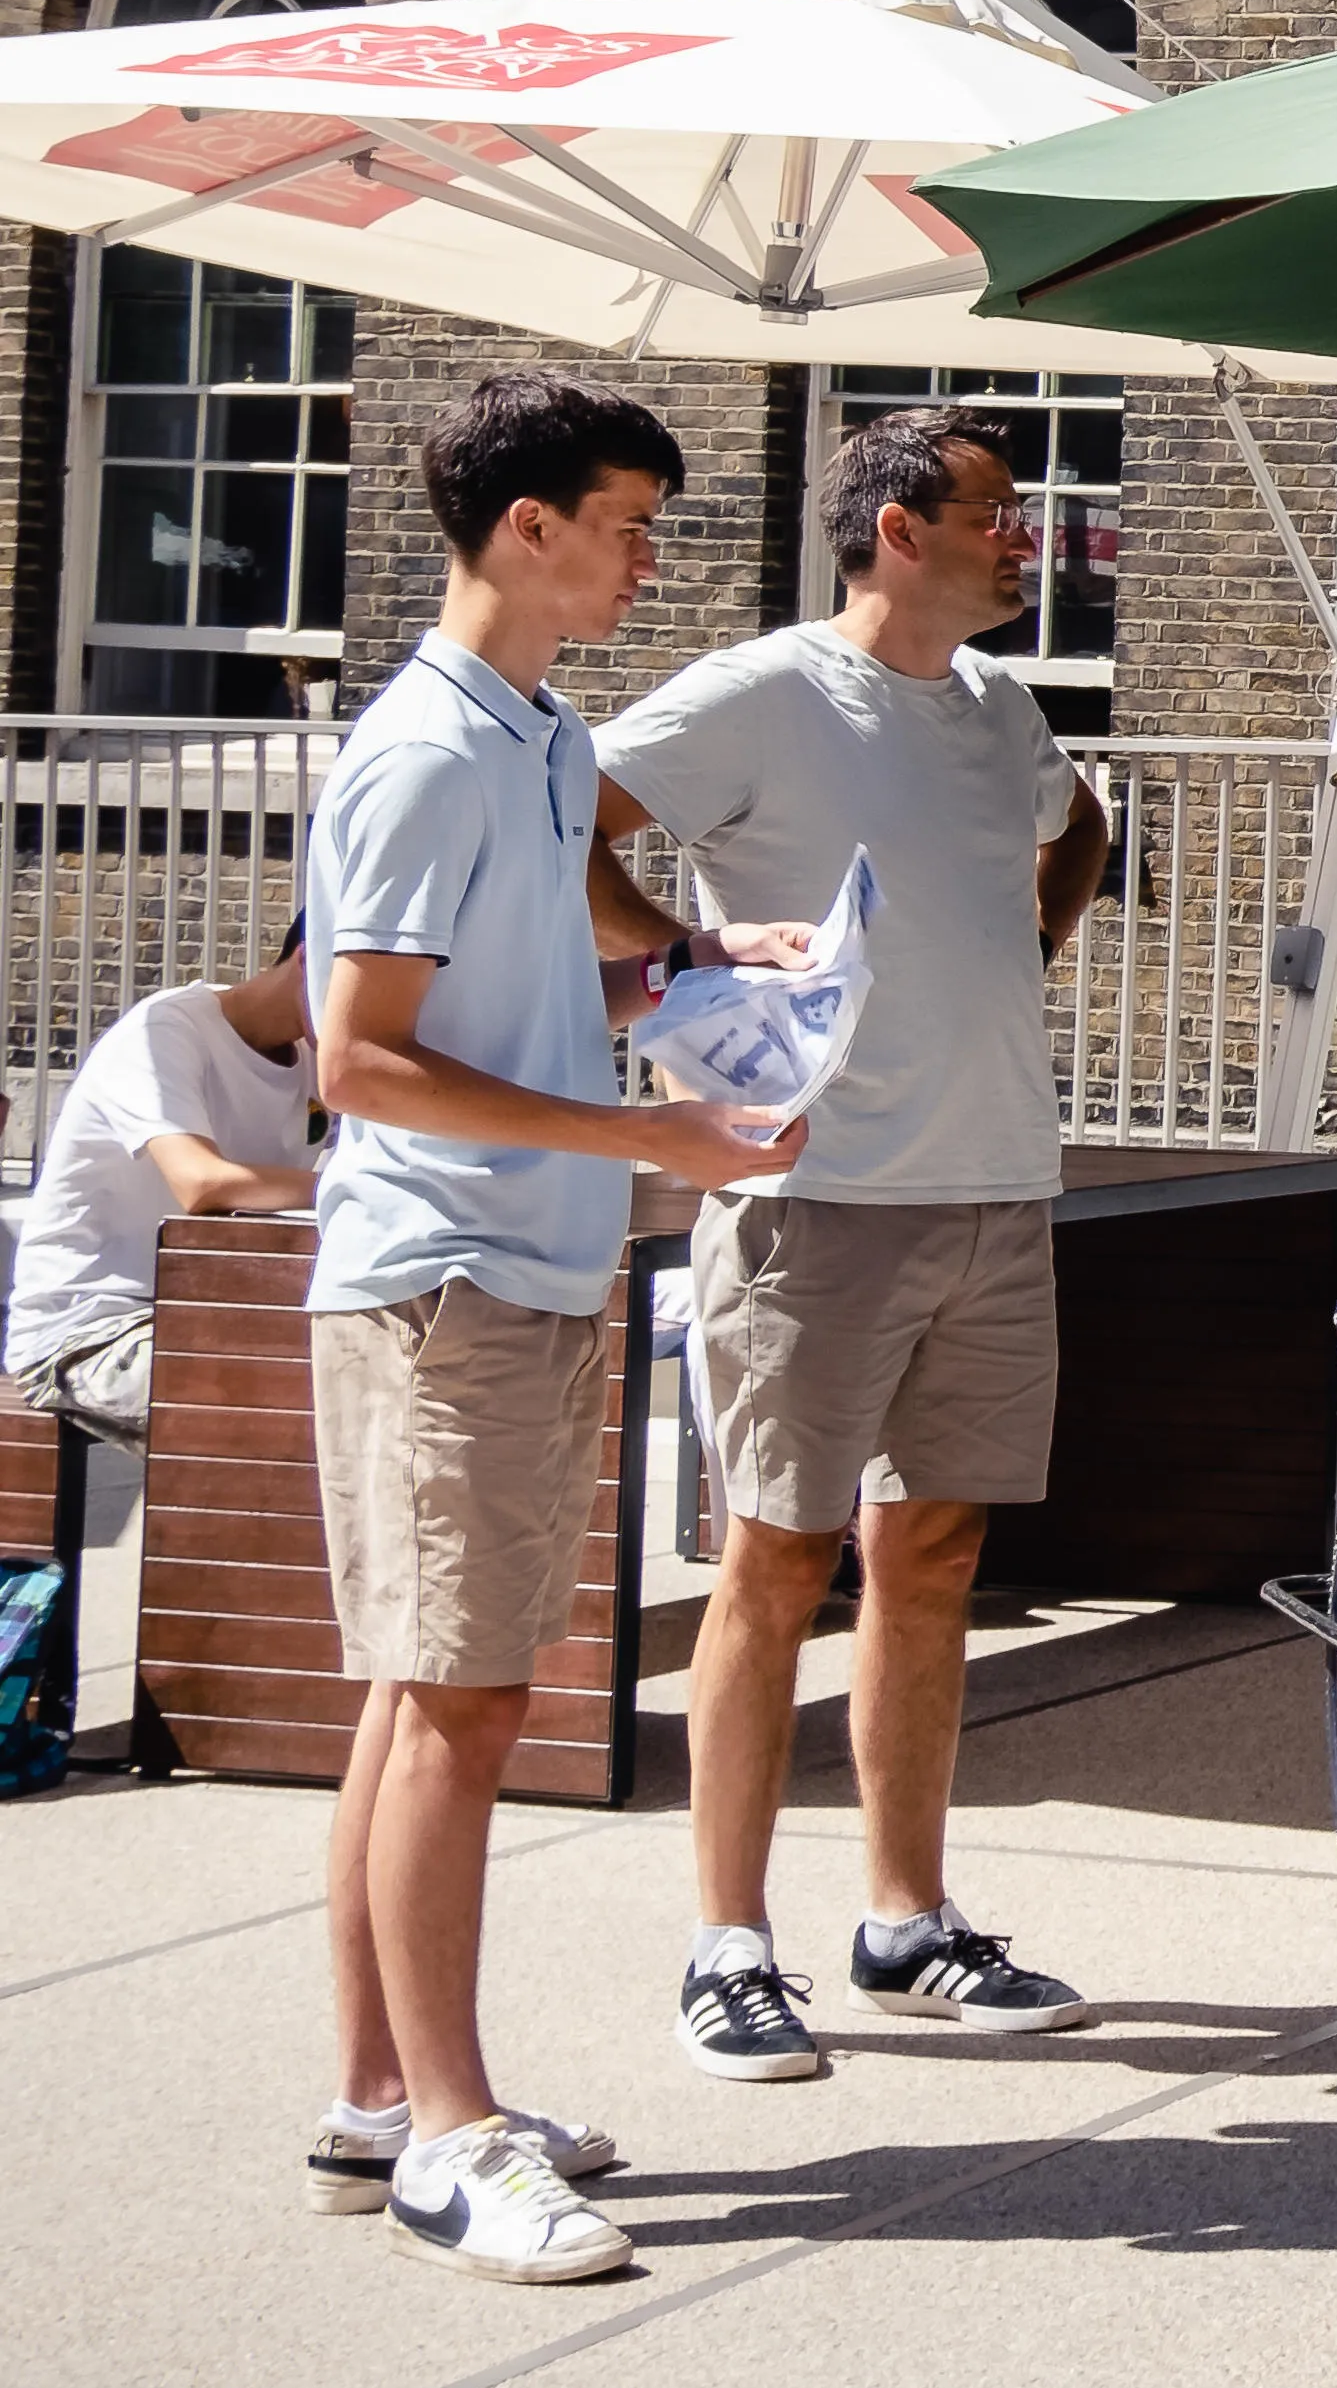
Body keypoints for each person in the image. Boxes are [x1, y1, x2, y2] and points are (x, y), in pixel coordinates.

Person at [304, 372, 808, 2280]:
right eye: (625, 519)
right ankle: (448, 2135)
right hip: (445, 1282)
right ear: (525, 525)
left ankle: (383, 2095)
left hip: (515, 1268)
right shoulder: (428, 751)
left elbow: (570, 901)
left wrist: (689, 957)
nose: (648, 555)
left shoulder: (530, 727)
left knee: (418, 1696)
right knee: (461, 1701)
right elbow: (361, 1058)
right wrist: (646, 1132)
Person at [601, 405, 1120, 2078]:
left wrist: (1029, 933)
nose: (1028, 537)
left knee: (937, 1556)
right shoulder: (761, 695)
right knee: (774, 1563)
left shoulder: (995, 706)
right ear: (901, 529)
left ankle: (906, 1920)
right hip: (809, 1200)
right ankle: (725, 1947)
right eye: (999, 511)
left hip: (990, 1193)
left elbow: (1078, 821)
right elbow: (569, 815)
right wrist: (686, 957)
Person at [7, 929, 321, 1447]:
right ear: (310, 961)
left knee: (357, 1379)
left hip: (208, 1316)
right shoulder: (165, 1030)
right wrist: (350, 1187)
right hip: (90, 1334)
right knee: (283, 1401)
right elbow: (200, 1182)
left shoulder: (316, 1065)